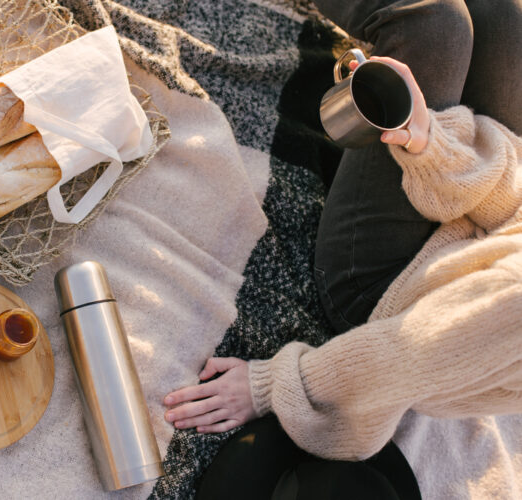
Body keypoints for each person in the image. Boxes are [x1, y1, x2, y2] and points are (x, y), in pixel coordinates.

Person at [162, 0, 522, 497]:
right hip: (466, 240)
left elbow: (411, 350)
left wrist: (274, 387)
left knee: (433, 22)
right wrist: (430, 143)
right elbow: (512, 211)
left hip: (386, 294)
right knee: (504, 15)